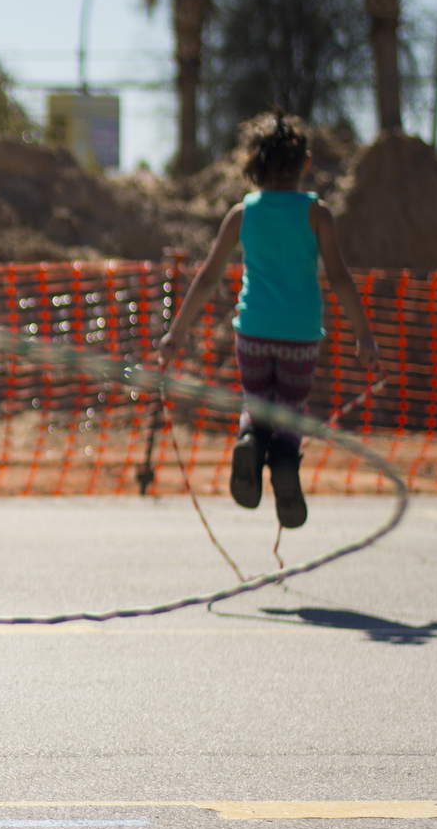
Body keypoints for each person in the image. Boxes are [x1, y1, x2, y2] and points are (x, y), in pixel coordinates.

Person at [155, 112, 384, 528]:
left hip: (253, 333)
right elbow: (339, 278)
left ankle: (249, 440)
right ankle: (283, 460)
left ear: (256, 162)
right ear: (306, 162)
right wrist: (364, 337)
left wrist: (176, 333)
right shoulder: (318, 215)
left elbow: (207, 277)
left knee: (257, 405)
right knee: (290, 408)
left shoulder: (243, 214)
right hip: (300, 336)